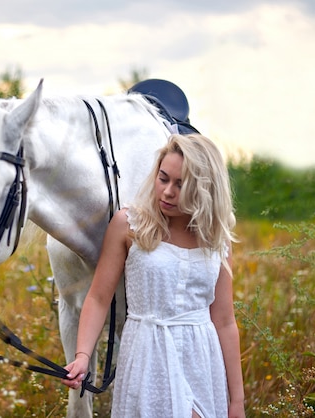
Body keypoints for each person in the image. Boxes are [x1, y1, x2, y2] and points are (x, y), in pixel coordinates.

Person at [62, 134, 246, 417]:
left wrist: (237, 402)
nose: (168, 192)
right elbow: (99, 298)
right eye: (163, 178)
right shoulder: (129, 224)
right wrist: (83, 356)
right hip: (148, 354)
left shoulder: (217, 239)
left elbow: (223, 320)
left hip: (201, 360)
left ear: (205, 189)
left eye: (181, 184)